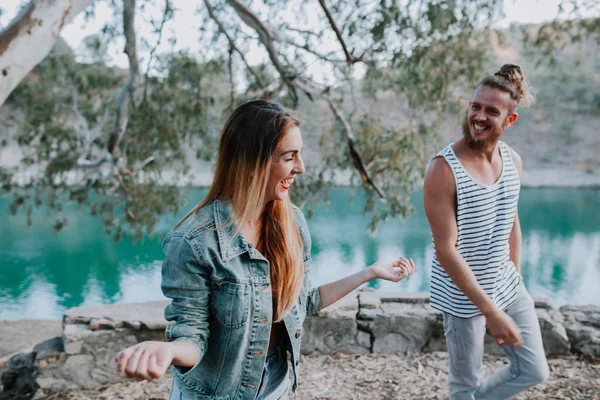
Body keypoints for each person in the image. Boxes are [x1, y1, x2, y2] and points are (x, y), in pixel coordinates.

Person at [115, 99, 415, 400]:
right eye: (289, 157)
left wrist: (369, 273)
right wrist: (167, 350)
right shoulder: (193, 242)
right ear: (252, 161)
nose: (301, 167)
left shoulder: (292, 223)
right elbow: (193, 338)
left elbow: (303, 302)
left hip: (277, 383)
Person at [423, 64, 549, 399]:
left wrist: (515, 278)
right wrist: (491, 311)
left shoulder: (514, 161)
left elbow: (511, 220)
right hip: (463, 299)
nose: (479, 116)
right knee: (464, 386)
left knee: (534, 369)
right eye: (475, 107)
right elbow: (445, 249)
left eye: (491, 111)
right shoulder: (442, 169)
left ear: (510, 120)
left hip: (507, 284)